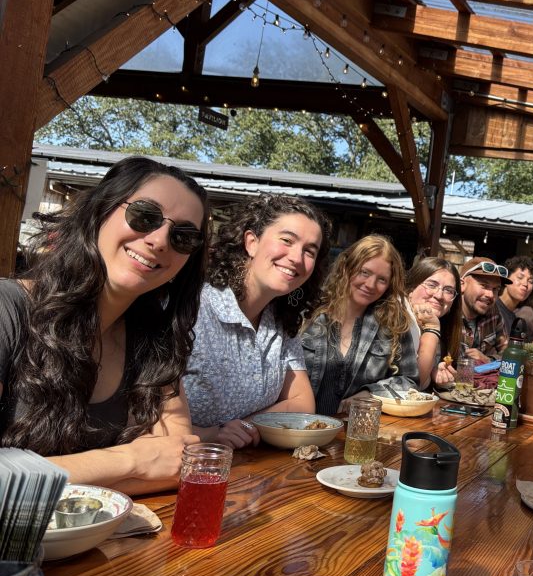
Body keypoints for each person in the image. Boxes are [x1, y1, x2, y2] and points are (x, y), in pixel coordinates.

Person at [0, 157, 207, 494]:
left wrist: (47, 476)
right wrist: (131, 461)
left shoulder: (155, 341)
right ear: (99, 212)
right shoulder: (7, 310)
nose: (159, 240)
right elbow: (152, 463)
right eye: (145, 215)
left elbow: (175, 464)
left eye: (183, 236)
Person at [184, 195, 330, 448]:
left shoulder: (281, 319)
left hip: (249, 464)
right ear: (251, 242)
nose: (297, 257)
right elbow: (142, 416)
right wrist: (211, 434)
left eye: (309, 251)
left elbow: (302, 403)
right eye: (287, 240)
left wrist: (246, 427)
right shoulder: (193, 308)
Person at [302, 235, 419, 413]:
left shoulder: (393, 323)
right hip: (300, 425)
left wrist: (371, 393)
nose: (371, 284)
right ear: (347, 267)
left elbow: (409, 381)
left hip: (356, 427)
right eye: (365, 272)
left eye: (382, 279)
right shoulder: (309, 312)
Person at [406, 256, 462, 388]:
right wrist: (432, 328)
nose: (439, 295)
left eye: (448, 290)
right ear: (411, 287)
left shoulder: (445, 328)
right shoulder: (396, 320)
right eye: (431, 285)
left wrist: (433, 373)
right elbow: (413, 382)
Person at [459, 257, 511, 362]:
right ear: (462, 285)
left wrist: (487, 360)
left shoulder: (493, 312)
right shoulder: (447, 311)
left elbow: (508, 354)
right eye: (484, 285)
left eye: (495, 289)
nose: (490, 295)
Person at [498, 256, 533, 340]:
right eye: (520, 277)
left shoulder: (515, 315)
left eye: (530, 281)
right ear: (506, 279)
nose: (525, 284)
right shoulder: (493, 307)